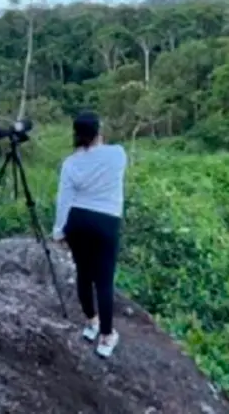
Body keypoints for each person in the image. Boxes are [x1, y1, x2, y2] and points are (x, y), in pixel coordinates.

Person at [52, 110, 128, 359]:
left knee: (84, 274)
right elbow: (103, 154)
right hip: (106, 220)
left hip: (78, 220)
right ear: (98, 131)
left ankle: (92, 322)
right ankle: (106, 337)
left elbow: (64, 199)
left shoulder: (71, 162)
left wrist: (59, 229)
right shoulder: (117, 154)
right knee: (104, 281)